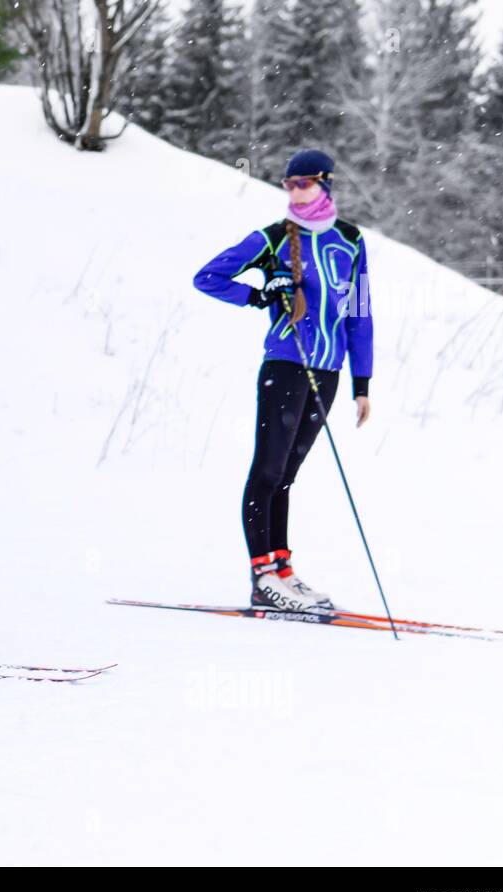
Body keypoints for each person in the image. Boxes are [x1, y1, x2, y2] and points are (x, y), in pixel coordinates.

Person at [193, 149, 374, 611]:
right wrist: (258, 294)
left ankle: (283, 569)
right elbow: (208, 277)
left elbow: (359, 313)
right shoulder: (273, 238)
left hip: (328, 373)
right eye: (289, 183)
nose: (295, 190)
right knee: (268, 471)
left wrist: (362, 383)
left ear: (326, 184)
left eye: (305, 182)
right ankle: (262, 575)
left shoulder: (350, 242)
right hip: (286, 367)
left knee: (288, 475)